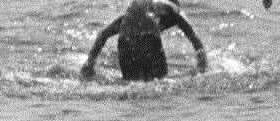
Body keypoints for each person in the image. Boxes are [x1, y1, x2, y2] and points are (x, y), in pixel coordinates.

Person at [81, 0, 210, 81]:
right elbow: (195, 40)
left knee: (131, 83)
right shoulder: (174, 11)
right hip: (148, 37)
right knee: (159, 82)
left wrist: (90, 63)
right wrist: (202, 64)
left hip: (125, 38)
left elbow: (103, 34)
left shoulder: (131, 15)